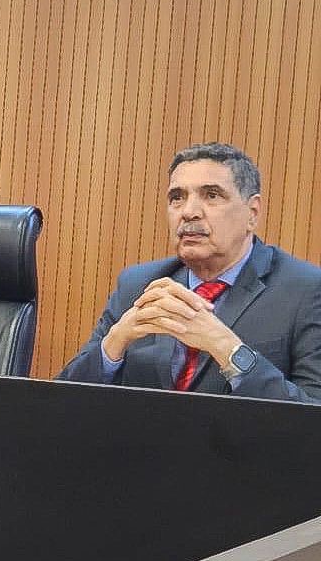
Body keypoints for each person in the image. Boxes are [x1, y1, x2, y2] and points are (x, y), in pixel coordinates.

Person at [58, 142, 321, 402]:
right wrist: (113, 344)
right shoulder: (138, 285)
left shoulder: (305, 290)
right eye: (177, 197)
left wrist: (226, 347)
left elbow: (312, 413)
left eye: (212, 195)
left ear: (252, 213)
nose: (189, 212)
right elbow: (61, 403)